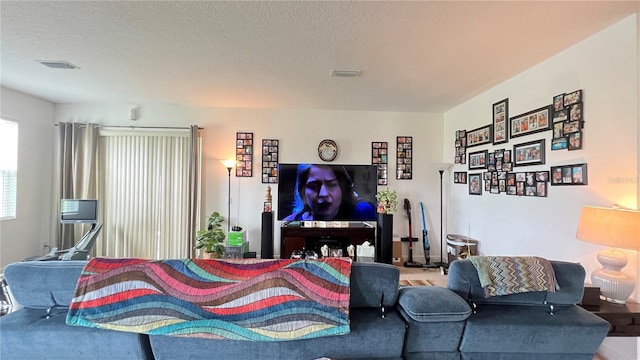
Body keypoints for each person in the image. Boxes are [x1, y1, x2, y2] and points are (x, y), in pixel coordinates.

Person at [284, 164, 375, 221]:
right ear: (302, 191)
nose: (323, 194)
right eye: (314, 186)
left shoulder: (362, 211)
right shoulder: (290, 222)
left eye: (331, 185)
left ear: (343, 188)